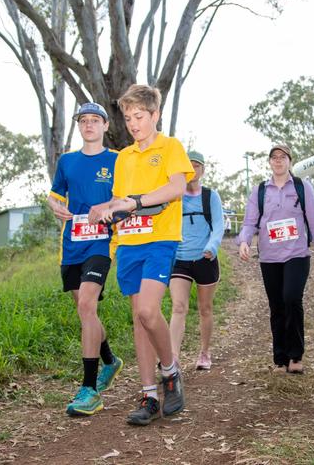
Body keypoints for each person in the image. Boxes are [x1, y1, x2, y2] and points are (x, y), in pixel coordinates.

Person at [90, 85, 194, 426]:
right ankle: (149, 394)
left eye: (140, 117)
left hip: (161, 239)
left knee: (150, 311)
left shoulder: (170, 147)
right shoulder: (123, 158)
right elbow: (120, 204)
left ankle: (170, 370)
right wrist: (102, 209)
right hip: (129, 244)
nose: (133, 124)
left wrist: (136, 202)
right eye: (128, 118)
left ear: (155, 115)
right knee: (139, 318)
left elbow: (177, 187)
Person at [47, 102, 123, 416]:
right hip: (71, 245)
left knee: (86, 306)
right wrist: (54, 206)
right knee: (86, 313)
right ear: (79, 126)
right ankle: (110, 360)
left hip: (102, 244)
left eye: (95, 120)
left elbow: (126, 198)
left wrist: (106, 206)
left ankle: (89, 389)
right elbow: (55, 194)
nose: (89, 125)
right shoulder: (66, 161)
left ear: (105, 126)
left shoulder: (118, 160)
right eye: (84, 120)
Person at [237, 144, 314, 375]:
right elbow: (250, 222)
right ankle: (280, 359)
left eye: (283, 157)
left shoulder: (301, 187)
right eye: (274, 158)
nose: (278, 161)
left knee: (291, 298)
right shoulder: (260, 191)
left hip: (296, 254)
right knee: (276, 306)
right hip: (269, 257)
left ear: (290, 161)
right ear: (269, 162)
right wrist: (245, 241)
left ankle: (295, 355)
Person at [169, 150, 224, 371]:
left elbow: (218, 226)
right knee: (178, 307)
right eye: (188, 165)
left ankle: (204, 352)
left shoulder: (210, 196)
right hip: (179, 259)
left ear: (202, 170)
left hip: (205, 259)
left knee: (205, 309)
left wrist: (212, 247)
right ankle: (173, 358)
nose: (192, 169)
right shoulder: (174, 195)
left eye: (197, 165)